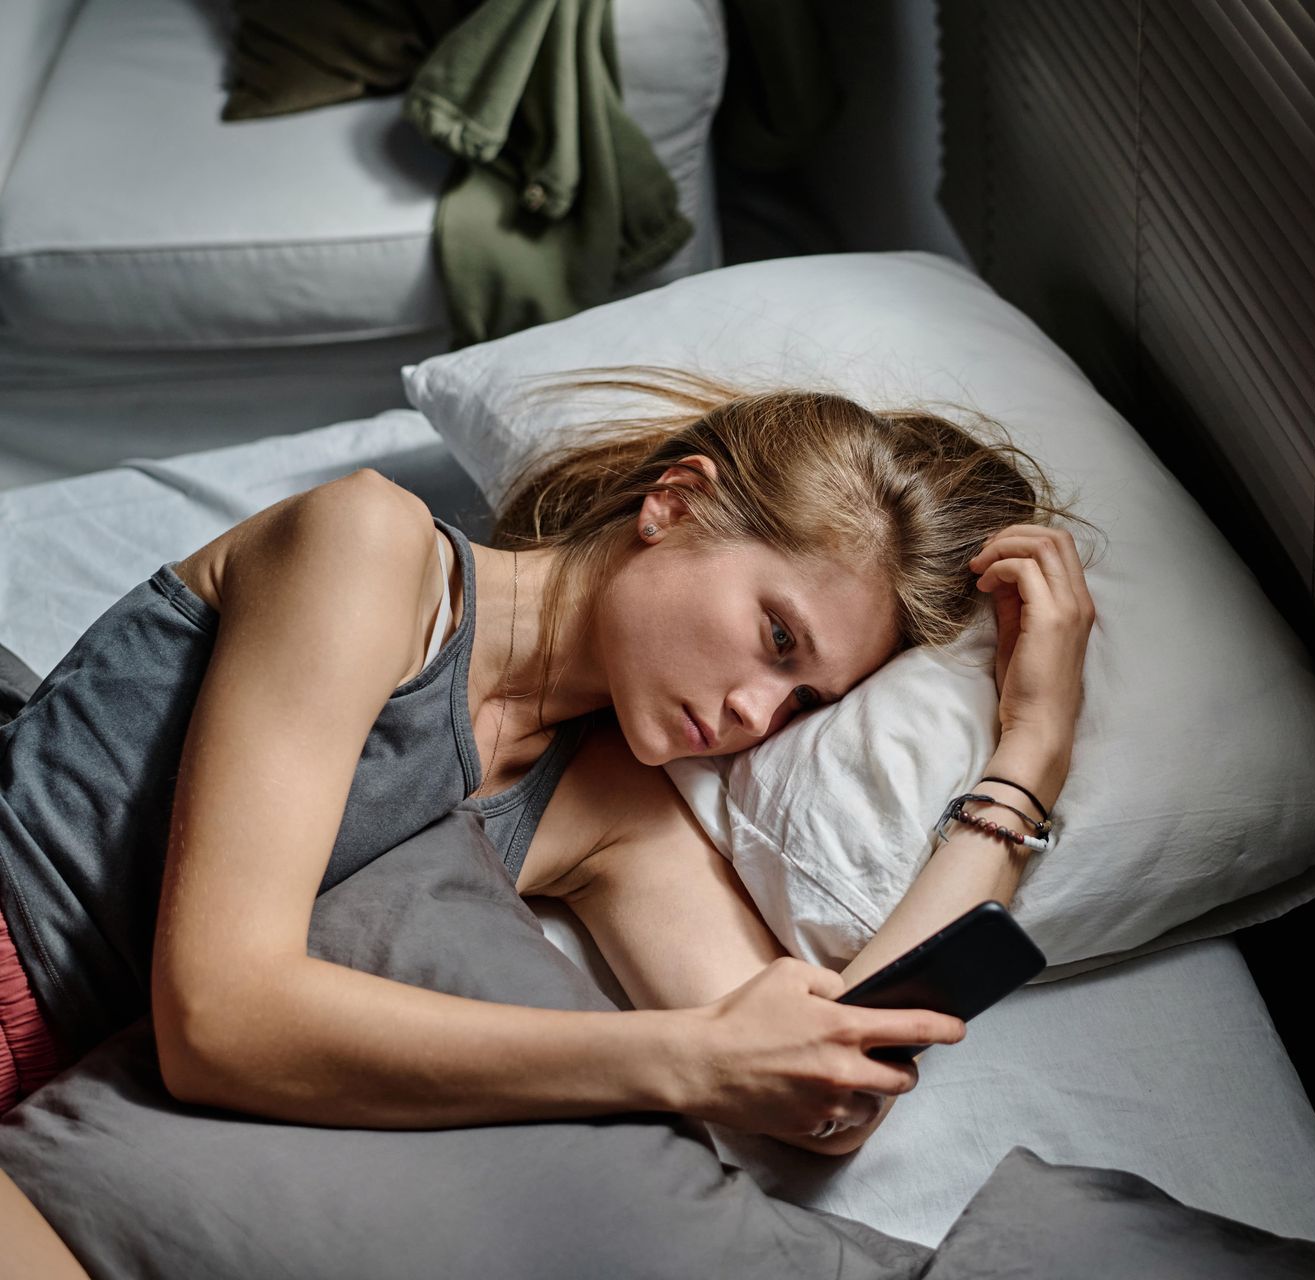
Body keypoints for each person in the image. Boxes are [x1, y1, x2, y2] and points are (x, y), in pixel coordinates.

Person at [0, 365, 1097, 1267]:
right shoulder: (371, 549)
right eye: (777, 638)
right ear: (674, 503)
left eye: (804, 700)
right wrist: (686, 1057)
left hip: (59, 1130)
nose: (757, 714)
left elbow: (831, 1092)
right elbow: (217, 1017)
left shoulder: (608, 807)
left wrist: (1029, 755)